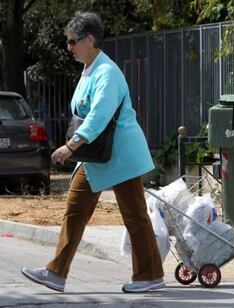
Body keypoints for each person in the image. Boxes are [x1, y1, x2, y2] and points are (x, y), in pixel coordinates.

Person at [21, 11, 164, 293]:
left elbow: (98, 116)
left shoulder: (107, 72)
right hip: (96, 155)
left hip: (119, 155)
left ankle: (149, 276)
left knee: (134, 215)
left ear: (89, 40)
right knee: (74, 211)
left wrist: (70, 146)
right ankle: (56, 273)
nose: (68, 47)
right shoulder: (89, 70)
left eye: (73, 41)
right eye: (68, 42)